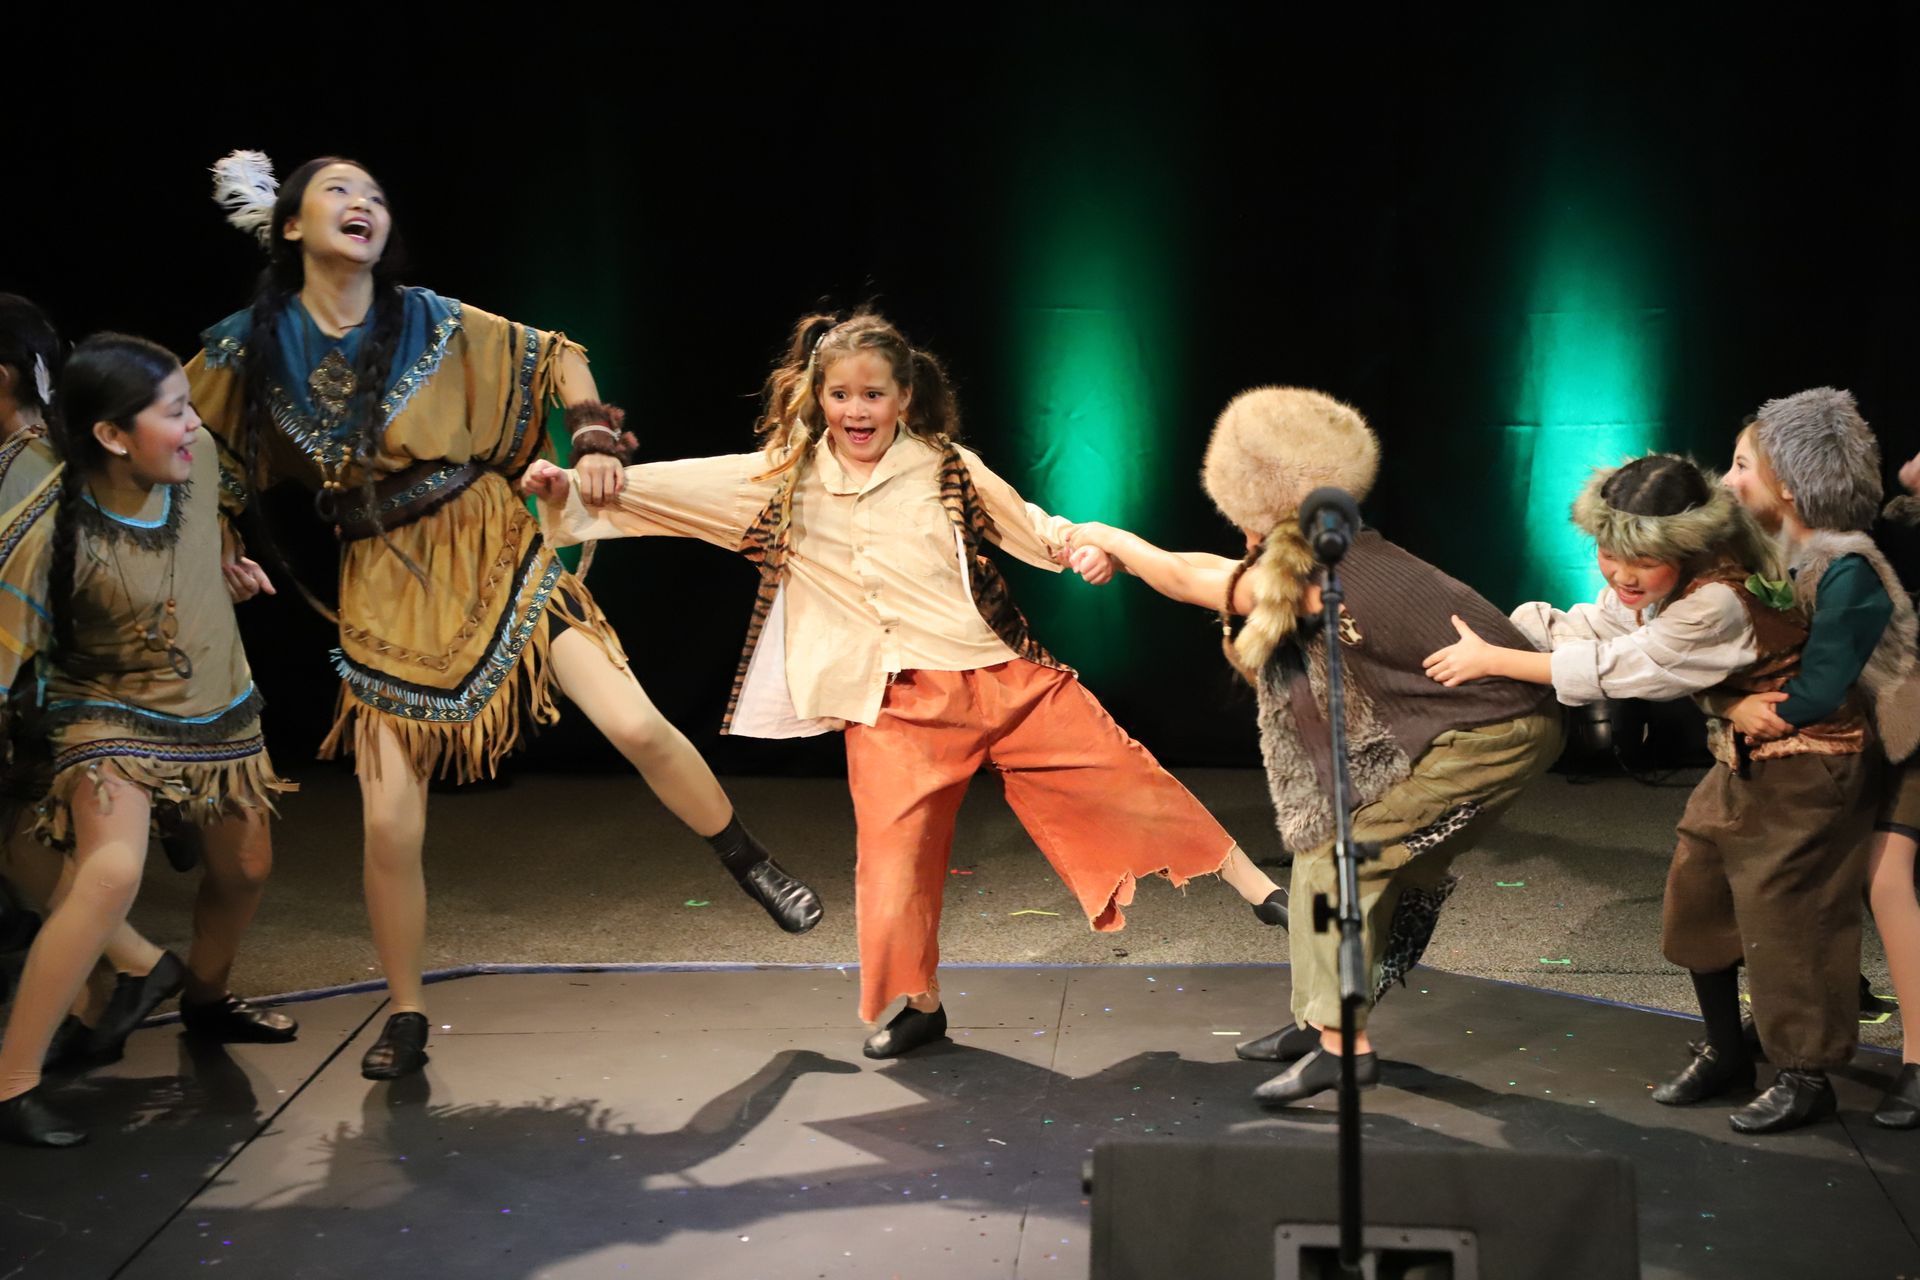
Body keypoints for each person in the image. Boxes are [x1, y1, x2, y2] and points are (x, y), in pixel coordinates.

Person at [186, 152, 821, 1081]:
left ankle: (746, 857)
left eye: (375, 195)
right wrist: (217, 538)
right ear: (289, 226)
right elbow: (187, 435)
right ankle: (403, 1013)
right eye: (339, 193)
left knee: (637, 722)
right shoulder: (253, 344)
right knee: (389, 823)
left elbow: (559, 354)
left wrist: (594, 436)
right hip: (381, 576)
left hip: (490, 545)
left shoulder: (433, 319)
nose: (364, 204)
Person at [524, 311, 1287, 1059]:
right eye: (842, 395)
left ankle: (1260, 892)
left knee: (1122, 771)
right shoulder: (780, 484)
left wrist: (1080, 549)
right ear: (819, 398)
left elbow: (1030, 525)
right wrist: (563, 485)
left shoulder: (943, 463)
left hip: (1000, 676)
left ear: (905, 398)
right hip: (893, 705)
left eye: (874, 395)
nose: (857, 411)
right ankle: (922, 1007)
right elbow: (656, 495)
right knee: (895, 864)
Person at [1066, 386, 1565, 1104]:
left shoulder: (1322, 573)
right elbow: (1217, 573)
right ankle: (1318, 1021)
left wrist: (1113, 541)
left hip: (1496, 734)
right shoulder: (1336, 550)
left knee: (1344, 862)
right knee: (1319, 857)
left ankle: (1344, 1050)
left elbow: (1193, 580)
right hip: (1470, 725)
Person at [0, 334, 295, 1146]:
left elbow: (218, 520)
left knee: (245, 871)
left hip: (218, 708)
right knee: (110, 873)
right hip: (108, 716)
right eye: (174, 412)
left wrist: (229, 562)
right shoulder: (46, 527)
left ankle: (205, 1002)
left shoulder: (198, 469)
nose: (195, 424)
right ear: (111, 435)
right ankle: (11, 1083)